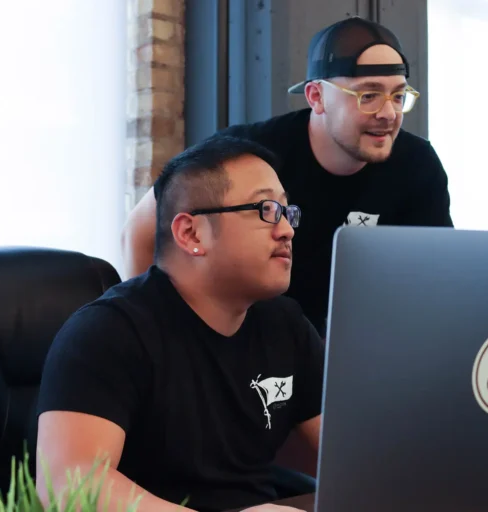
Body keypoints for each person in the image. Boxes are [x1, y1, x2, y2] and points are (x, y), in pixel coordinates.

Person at [35, 134, 325, 512]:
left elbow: (351, 453)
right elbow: (68, 485)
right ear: (190, 233)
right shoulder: (107, 333)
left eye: (288, 212)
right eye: (266, 209)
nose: (286, 229)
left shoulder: (286, 326)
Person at [119, 16, 454, 336]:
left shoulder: (417, 166)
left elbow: (438, 276)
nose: (388, 113)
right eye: (368, 96)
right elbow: (140, 230)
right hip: (254, 348)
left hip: (356, 346)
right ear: (316, 96)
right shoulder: (248, 154)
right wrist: (150, 333)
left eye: (398, 96)